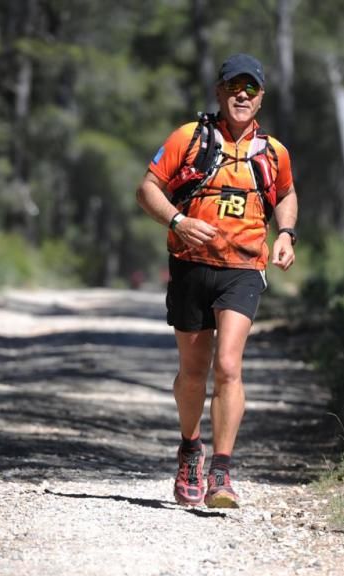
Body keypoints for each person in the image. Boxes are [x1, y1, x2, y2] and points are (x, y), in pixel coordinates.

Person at [136, 53, 298, 509]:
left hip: (244, 268)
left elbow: (285, 193)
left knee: (228, 365)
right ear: (219, 91)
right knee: (193, 372)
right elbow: (147, 188)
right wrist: (177, 220)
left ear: (261, 97)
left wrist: (285, 233)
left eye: (251, 89)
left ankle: (221, 473)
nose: (242, 95)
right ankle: (190, 447)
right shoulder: (189, 138)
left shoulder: (273, 152)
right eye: (234, 87)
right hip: (190, 263)